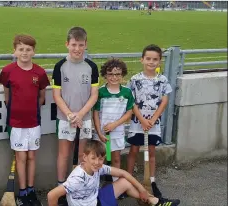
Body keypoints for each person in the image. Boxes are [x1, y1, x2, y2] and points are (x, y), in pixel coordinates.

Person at [0, 34, 50, 206]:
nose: (25, 52)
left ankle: (30, 190)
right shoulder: (8, 71)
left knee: (31, 157)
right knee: (20, 157)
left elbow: (42, 95)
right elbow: (6, 92)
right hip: (16, 123)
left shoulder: (40, 72)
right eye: (21, 49)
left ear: (34, 51)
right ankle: (21, 192)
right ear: (15, 51)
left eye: (28, 49)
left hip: (34, 122)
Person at [47, 139, 181, 206]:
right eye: (93, 158)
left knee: (123, 181)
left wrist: (142, 190)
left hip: (95, 199)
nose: (97, 162)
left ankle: (156, 202)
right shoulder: (78, 178)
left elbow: (124, 173)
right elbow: (51, 195)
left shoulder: (98, 167)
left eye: (100, 158)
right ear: (85, 157)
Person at [52, 26, 99, 205]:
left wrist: (80, 114)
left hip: (85, 118)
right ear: (67, 44)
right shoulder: (60, 66)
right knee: (64, 154)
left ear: (86, 45)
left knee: (82, 155)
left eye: (80, 45)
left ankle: (79, 188)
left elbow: (94, 95)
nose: (77, 49)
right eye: (73, 45)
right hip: (65, 119)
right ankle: (61, 188)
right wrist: (71, 114)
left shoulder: (91, 67)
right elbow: (57, 95)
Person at [126, 44, 172, 199]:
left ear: (159, 62)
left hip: (153, 124)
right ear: (142, 60)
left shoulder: (163, 80)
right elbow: (131, 101)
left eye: (155, 59)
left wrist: (152, 120)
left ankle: (151, 181)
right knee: (133, 150)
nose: (151, 62)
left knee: (151, 152)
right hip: (137, 122)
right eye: (148, 59)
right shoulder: (134, 79)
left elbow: (164, 101)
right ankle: (129, 180)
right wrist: (141, 119)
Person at [92, 58, 135, 199]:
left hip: (117, 133)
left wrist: (114, 124)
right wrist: (99, 132)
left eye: (117, 74)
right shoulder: (101, 92)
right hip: (102, 134)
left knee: (116, 159)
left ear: (122, 75)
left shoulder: (127, 92)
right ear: (105, 75)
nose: (114, 77)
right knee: (99, 160)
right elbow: (96, 114)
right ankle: (95, 188)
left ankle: (117, 188)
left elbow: (129, 112)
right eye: (110, 74)